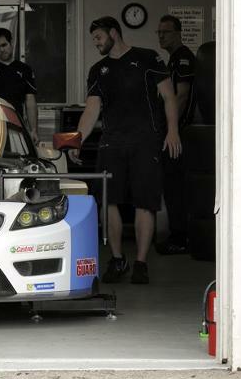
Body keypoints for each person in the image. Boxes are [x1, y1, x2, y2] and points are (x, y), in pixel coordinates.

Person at [71, 17, 181, 284]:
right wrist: (77, 140)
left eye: (98, 37)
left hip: (146, 141)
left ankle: (141, 263)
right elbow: (92, 110)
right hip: (112, 143)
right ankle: (118, 259)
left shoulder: (148, 58)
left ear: (113, 33)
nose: (96, 43)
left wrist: (173, 131)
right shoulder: (98, 69)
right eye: (93, 39)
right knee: (109, 202)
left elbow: (169, 97)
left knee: (146, 202)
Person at [155, 14, 196, 256]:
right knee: (170, 186)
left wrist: (171, 129)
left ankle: (180, 238)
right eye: (159, 32)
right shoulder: (171, 60)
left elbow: (181, 96)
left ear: (178, 33)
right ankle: (177, 234)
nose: (161, 36)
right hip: (173, 131)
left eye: (166, 32)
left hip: (178, 134)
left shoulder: (183, 58)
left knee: (175, 187)